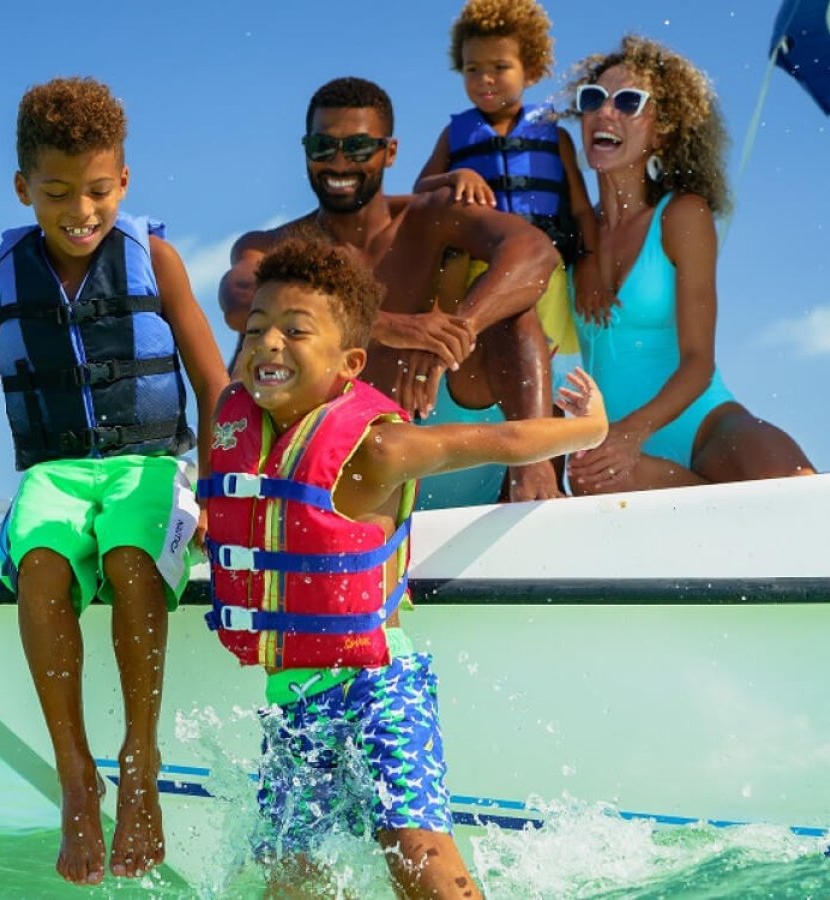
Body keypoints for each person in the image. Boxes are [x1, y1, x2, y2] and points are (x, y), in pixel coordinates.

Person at [0, 77, 228, 885]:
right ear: (23, 187)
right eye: (58, 192)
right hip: (55, 472)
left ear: (124, 183)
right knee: (39, 565)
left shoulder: (155, 260)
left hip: (152, 463)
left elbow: (213, 384)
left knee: (134, 561)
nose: (81, 210)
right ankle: (75, 773)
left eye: (99, 190)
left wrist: (216, 484)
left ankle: (141, 756)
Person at [201, 238, 607, 898]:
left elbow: (497, 442)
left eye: (296, 331)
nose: (269, 344)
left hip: (377, 686)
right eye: (256, 330)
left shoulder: (376, 448)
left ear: (349, 363)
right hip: (294, 699)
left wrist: (587, 430)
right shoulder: (242, 425)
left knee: (416, 855)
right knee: (288, 878)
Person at [219, 77, 564, 510]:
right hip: (348, 478)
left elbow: (536, 253)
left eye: (359, 148)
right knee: (265, 325)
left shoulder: (429, 217)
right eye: (323, 147)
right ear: (306, 150)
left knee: (515, 315)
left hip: (454, 443)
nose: (339, 163)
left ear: (390, 152)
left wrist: (453, 334)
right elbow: (238, 299)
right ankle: (237, 485)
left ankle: (534, 468)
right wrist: (389, 327)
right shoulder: (276, 245)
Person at [563, 35, 814, 494]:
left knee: (791, 484)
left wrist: (632, 433)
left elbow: (698, 363)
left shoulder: (682, 216)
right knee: (592, 479)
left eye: (628, 102)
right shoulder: (570, 232)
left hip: (703, 424)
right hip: (614, 448)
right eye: (593, 99)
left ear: (663, 129)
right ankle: (718, 502)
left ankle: (715, 500)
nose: (605, 112)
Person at [413, 0, 608, 392]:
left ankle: (550, 444)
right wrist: (457, 174)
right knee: (487, 372)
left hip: (547, 274)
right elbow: (419, 192)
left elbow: (582, 210)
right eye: (473, 69)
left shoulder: (555, 135)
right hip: (477, 274)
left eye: (499, 67)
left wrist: (588, 266)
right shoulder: (455, 136)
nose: (485, 79)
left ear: (530, 69)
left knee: (551, 378)